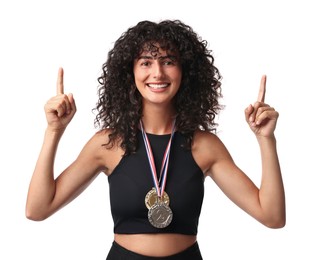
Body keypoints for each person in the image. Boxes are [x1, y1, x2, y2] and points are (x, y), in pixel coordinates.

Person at [26, 20, 286, 259]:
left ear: (185, 72)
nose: (158, 73)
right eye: (146, 62)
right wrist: (53, 131)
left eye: (168, 61)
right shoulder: (108, 143)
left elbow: (272, 216)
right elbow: (37, 209)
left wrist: (266, 140)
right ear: (131, 72)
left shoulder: (204, 146)